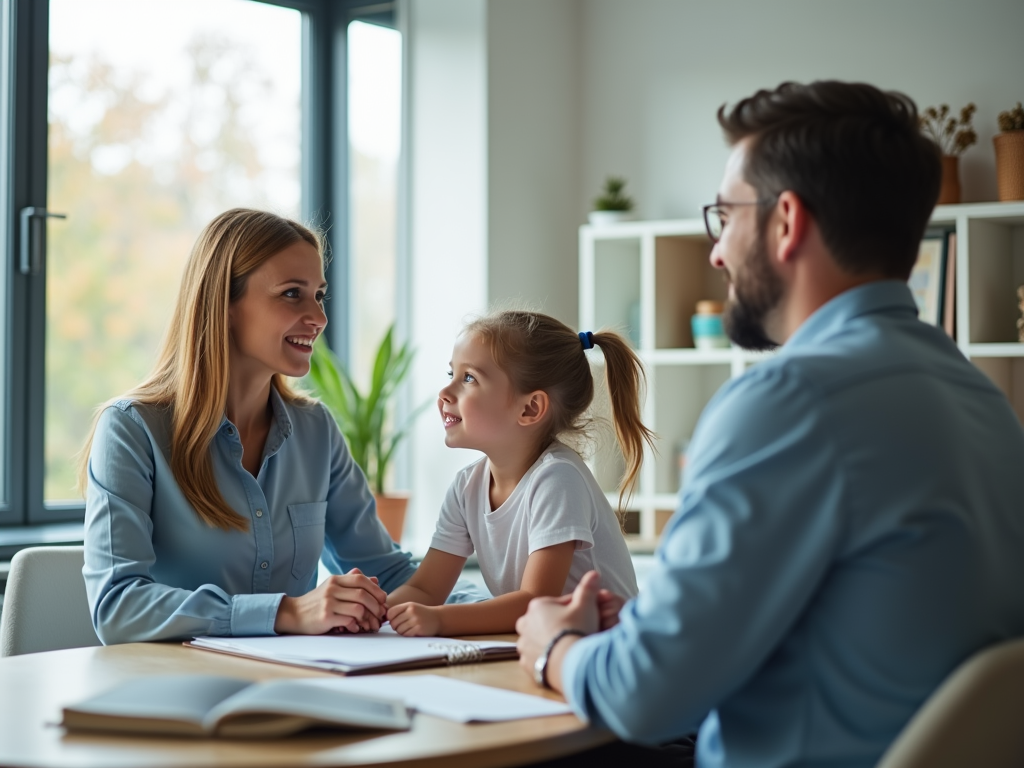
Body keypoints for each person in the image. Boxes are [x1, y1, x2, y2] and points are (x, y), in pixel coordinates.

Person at [516, 80, 1024, 768]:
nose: (717, 251)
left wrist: (553, 645)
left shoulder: (787, 403)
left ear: (787, 221)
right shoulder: (982, 402)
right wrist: (643, 631)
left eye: (725, 215)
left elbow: (646, 697)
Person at [81, 208, 415, 644]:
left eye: (319, 295)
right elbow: (118, 607)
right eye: (292, 294)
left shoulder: (316, 431)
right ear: (225, 305)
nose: (319, 317)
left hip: (291, 690)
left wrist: (507, 609)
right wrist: (287, 612)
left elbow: (386, 570)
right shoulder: (131, 430)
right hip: (174, 692)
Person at [384, 311, 650, 636]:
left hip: (603, 651)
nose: (445, 392)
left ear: (530, 409)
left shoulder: (557, 479)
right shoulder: (466, 486)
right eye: (452, 373)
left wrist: (440, 619)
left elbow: (536, 602)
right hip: (543, 643)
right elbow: (425, 591)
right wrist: (379, 610)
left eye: (469, 379)